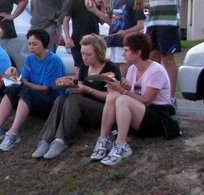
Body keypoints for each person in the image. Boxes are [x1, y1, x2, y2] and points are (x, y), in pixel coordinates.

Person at [91, 33, 176, 166]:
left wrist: (123, 90)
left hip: (157, 116)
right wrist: (121, 88)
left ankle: (121, 144)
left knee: (122, 99)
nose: (124, 54)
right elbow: (130, 93)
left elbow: (147, 100)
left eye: (126, 50)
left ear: (138, 52)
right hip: (141, 114)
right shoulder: (132, 69)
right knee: (113, 95)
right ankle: (104, 139)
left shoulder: (156, 71)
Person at [32, 34, 121, 159]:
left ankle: (62, 139)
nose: (84, 57)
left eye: (88, 54)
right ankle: (46, 139)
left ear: (98, 53)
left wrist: (88, 90)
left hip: (103, 110)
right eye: (82, 53)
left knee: (74, 100)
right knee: (61, 99)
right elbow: (80, 84)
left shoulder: (110, 68)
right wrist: (73, 86)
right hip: (84, 107)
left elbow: (113, 96)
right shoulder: (85, 67)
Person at [0, 28, 66, 151]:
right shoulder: (30, 59)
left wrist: (24, 83)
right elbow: (23, 80)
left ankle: (13, 133)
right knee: (13, 89)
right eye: (29, 44)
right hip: (33, 97)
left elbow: (45, 89)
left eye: (35, 44)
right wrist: (14, 75)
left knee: (27, 92)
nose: (31, 47)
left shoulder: (53, 60)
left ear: (44, 44)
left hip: (52, 102)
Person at [95, 0, 145, 78]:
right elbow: (111, 22)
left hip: (125, 45)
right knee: (110, 77)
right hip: (112, 43)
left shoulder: (137, 1)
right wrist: (93, 9)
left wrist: (126, 32)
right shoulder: (116, 2)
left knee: (124, 77)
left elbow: (141, 25)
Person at [144, 0, 180, 98]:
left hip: (168, 22)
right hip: (152, 22)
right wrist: (143, 5)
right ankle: (153, 95)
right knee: (151, 59)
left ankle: (170, 98)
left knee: (167, 59)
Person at [63, 0, 101, 67]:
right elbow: (66, 20)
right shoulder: (75, 2)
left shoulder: (97, 2)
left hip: (94, 39)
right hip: (78, 39)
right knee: (80, 66)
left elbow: (102, 21)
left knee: (94, 65)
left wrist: (102, 6)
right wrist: (68, 38)